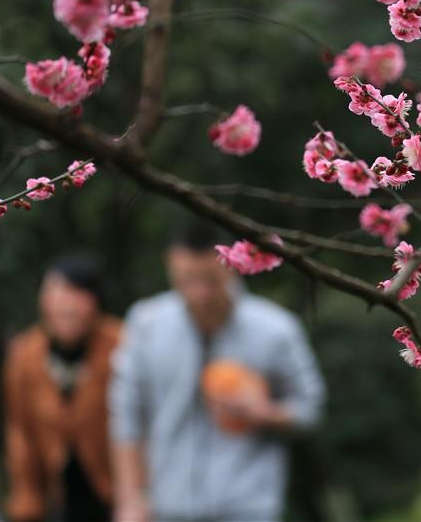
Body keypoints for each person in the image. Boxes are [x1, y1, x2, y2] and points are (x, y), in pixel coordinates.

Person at [109, 223, 326, 522]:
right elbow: (126, 416)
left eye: (210, 280)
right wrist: (131, 500)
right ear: (170, 266)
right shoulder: (145, 324)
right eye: (187, 279)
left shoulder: (275, 329)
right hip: (166, 506)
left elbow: (310, 408)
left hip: (248, 506)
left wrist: (263, 413)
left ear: (233, 266)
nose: (199, 292)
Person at [4, 255, 121, 522]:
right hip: (61, 498)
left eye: (76, 294)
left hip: (115, 494)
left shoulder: (123, 345)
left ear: (96, 301)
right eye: (55, 292)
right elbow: (21, 433)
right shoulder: (24, 355)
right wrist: (27, 502)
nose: (64, 304)